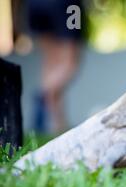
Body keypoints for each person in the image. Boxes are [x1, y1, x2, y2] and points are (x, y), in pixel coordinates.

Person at [26, 0, 83, 134]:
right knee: (70, 61)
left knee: (51, 59)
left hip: (34, 4)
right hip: (66, 5)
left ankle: (57, 124)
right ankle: (43, 97)